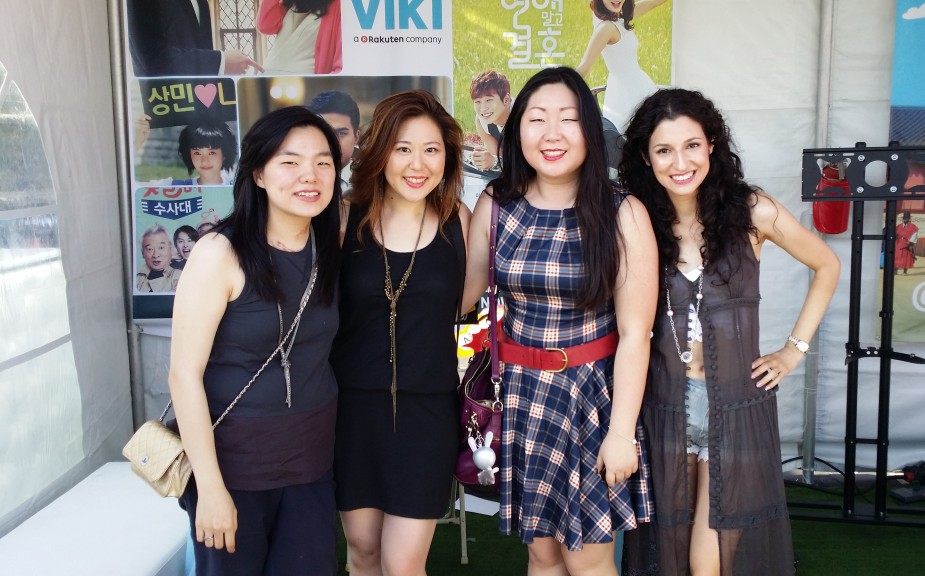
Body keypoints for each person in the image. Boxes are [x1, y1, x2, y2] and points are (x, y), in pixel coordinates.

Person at [618, 88, 840, 576]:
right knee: (671, 538)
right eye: (664, 149)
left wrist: (793, 350)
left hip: (737, 404)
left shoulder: (752, 211)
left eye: (692, 145)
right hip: (664, 407)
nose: (681, 161)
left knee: (715, 538)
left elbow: (826, 264)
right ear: (645, 156)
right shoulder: (635, 222)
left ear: (712, 144)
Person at [462, 66, 658, 574]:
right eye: (537, 119)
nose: (552, 134)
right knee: (543, 556)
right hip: (523, 399)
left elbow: (637, 335)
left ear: (590, 131)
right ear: (517, 128)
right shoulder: (496, 204)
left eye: (568, 120)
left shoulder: (623, 213)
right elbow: (461, 298)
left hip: (591, 402)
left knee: (588, 563)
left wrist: (621, 434)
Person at [167, 106, 343, 574]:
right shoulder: (218, 253)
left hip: (310, 465)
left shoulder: (331, 249)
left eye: (323, 162)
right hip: (233, 468)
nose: (310, 174)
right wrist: (210, 489)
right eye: (290, 161)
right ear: (259, 174)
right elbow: (183, 376)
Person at [329, 89, 470, 575]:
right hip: (352, 411)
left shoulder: (458, 221)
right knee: (363, 554)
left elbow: (466, 302)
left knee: (404, 564)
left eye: (431, 149)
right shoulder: (345, 217)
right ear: (380, 150)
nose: (418, 163)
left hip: (427, 414)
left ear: (447, 156)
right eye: (403, 147)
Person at [577, 0, 668, 133]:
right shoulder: (606, 28)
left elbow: (653, 3)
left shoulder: (620, 16)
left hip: (639, 85)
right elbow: (584, 67)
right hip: (624, 95)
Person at [126, 0, 262, 77]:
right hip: (161, 109)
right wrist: (220, 61)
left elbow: (200, 47)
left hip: (200, 107)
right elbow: (151, 58)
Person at [135, 118, 238, 186]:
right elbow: (132, 188)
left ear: (224, 154)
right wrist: (137, 142)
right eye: (197, 153)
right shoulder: (175, 189)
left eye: (212, 153)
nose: (204, 161)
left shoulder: (238, 187)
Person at [257, 0, 342, 75]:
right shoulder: (290, 3)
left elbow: (342, 68)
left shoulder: (342, 6)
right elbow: (266, 26)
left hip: (305, 86)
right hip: (269, 80)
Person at [309, 90, 360, 192]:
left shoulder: (372, 183)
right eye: (323, 132)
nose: (332, 142)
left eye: (341, 133)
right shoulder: (296, 178)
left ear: (356, 137)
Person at [468, 69, 513, 174]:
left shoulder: (524, 118)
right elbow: (498, 158)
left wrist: (494, 162)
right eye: (478, 102)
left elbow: (528, 165)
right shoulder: (481, 121)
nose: (483, 109)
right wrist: (484, 160)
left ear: (506, 100)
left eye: (489, 100)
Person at [136, 224, 183, 292]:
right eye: (150, 249)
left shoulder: (179, 276)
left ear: (171, 249)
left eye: (161, 247)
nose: (156, 255)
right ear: (142, 253)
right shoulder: (137, 279)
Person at [895, 211, 918, 275]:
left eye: (907, 218)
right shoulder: (899, 226)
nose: (905, 219)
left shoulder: (913, 227)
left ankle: (905, 271)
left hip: (907, 243)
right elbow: (895, 234)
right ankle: (895, 271)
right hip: (898, 243)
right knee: (897, 257)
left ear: (909, 219)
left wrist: (910, 243)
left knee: (906, 258)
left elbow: (914, 234)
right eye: (904, 218)